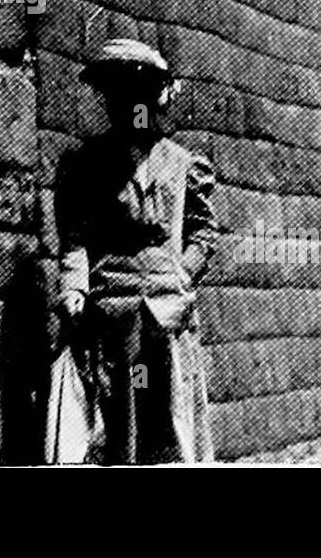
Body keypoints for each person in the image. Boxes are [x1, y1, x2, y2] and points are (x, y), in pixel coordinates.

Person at [52, 38, 229, 463]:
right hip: (114, 314)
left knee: (170, 417)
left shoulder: (184, 164)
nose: (129, 106)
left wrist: (182, 272)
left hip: (168, 315)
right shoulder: (86, 165)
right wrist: (75, 288)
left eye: (139, 95)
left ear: (154, 100)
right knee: (121, 419)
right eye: (117, 95)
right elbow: (75, 238)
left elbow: (204, 232)